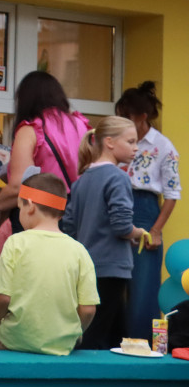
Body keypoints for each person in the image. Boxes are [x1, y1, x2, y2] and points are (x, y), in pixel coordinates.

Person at [0, 173, 98, 355]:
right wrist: (75, 333)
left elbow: (2, 298)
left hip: (13, 341)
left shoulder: (15, 243)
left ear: (31, 206)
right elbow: (88, 309)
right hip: (60, 346)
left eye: (20, 208)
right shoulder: (79, 251)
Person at [61, 116, 146, 350]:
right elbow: (121, 225)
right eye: (130, 141)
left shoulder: (81, 180)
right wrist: (137, 231)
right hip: (112, 266)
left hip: (87, 266)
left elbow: (68, 225)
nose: (136, 147)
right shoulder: (118, 177)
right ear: (109, 142)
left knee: (115, 334)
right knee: (97, 338)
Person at [0, 71, 91, 233]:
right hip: (79, 214)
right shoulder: (81, 124)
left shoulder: (31, 130)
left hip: (40, 214)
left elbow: (19, 185)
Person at [115, 81, 181, 339]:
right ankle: (109, 346)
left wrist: (156, 230)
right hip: (117, 204)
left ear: (142, 116)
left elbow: (172, 194)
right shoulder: (117, 142)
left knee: (142, 290)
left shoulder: (164, 147)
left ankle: (140, 348)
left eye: (126, 116)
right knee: (110, 284)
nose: (121, 120)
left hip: (144, 210)